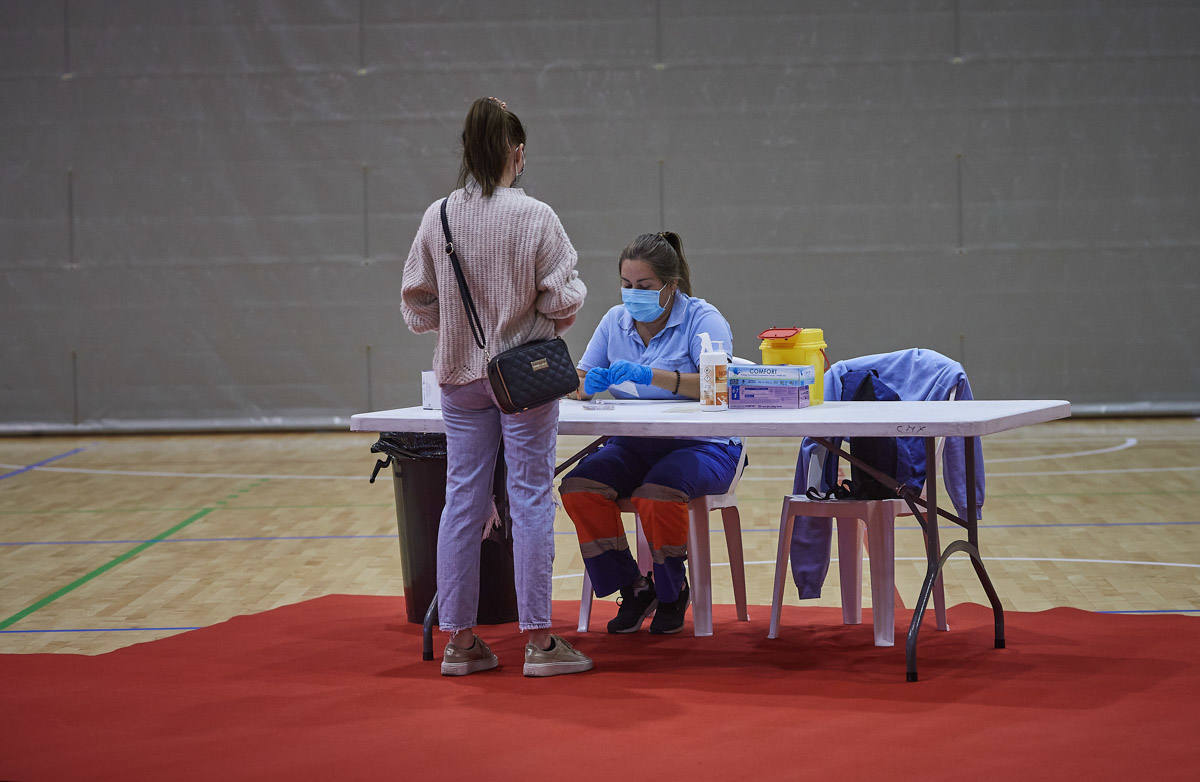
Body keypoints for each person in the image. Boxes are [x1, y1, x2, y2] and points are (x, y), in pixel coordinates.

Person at [401, 96, 592, 677]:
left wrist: (459, 323)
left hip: (459, 378)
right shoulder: (536, 216)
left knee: (462, 500)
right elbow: (562, 299)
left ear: (466, 150)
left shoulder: (437, 216)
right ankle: (539, 642)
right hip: (524, 379)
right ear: (518, 153)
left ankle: (460, 642)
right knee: (530, 497)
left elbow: (416, 305)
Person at [560, 231, 741, 634]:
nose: (633, 294)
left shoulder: (702, 318)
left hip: (704, 446)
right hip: (633, 444)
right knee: (579, 488)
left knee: (657, 495)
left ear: (670, 286)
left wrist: (652, 376)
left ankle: (673, 591)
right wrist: (585, 385)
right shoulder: (614, 321)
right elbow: (580, 379)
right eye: (626, 284)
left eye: (644, 286)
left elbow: (721, 385)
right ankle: (635, 587)